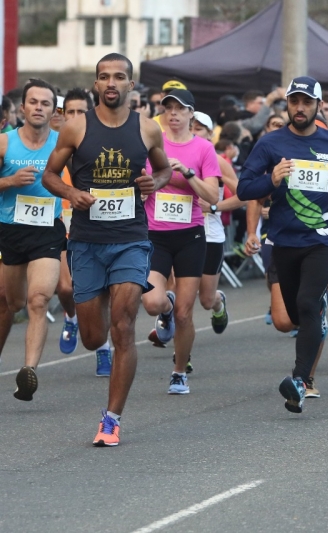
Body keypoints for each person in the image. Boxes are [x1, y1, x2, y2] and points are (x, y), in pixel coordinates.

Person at [42, 53, 172, 446]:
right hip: (86, 243)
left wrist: (156, 182)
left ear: (131, 85)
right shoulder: (75, 128)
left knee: (123, 325)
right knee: (93, 338)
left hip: (130, 239)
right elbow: (49, 175)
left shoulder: (147, 129)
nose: (111, 82)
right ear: (96, 85)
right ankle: (88, 312)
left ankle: (112, 419)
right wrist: (70, 192)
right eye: (103, 77)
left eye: (119, 76)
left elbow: (163, 169)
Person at [237, 76, 328, 414]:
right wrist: (272, 179)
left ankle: (299, 381)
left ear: (318, 106)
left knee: (309, 304)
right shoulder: (270, 144)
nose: (299, 108)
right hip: (283, 240)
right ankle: (315, 319)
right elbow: (244, 189)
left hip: (322, 239)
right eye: (294, 101)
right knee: (295, 315)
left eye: (306, 102)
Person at [140, 88, 220, 393]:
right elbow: (139, 180)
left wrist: (187, 173)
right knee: (151, 302)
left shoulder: (203, 149)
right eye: (168, 108)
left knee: (186, 314)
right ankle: (165, 307)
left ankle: (178, 372)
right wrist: (144, 188)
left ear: (191, 114)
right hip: (155, 235)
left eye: (180, 109)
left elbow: (212, 196)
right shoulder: (151, 143)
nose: (173, 114)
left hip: (190, 236)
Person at [0, 79, 64, 402]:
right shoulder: (4, 143)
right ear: (22, 107)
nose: (39, 107)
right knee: (11, 304)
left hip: (47, 231)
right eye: (33, 102)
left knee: (38, 300)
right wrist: (9, 180)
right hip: (10, 231)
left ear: (54, 110)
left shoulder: (63, 143)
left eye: (45, 103)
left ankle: (28, 372)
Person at [55, 88, 115, 376]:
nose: (76, 118)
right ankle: (70, 316)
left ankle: (104, 351)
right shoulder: (57, 145)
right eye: (71, 112)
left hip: (94, 229)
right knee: (66, 288)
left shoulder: (99, 146)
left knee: (103, 295)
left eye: (82, 112)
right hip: (58, 227)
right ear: (62, 115)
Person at [191, 111, 244, 334]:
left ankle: (218, 302)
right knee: (176, 294)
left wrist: (214, 207)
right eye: (190, 127)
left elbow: (243, 194)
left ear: (211, 134)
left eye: (199, 129)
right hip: (179, 232)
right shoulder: (171, 156)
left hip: (209, 233)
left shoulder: (218, 161)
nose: (193, 133)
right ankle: (176, 339)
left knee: (205, 299)